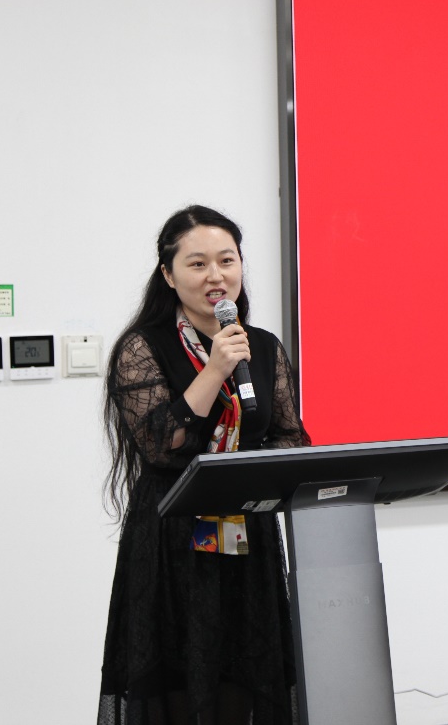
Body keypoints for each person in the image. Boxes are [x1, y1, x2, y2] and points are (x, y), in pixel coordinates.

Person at [98, 205, 309, 725]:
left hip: (246, 534)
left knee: (244, 675)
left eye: (227, 260)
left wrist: (259, 470)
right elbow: (160, 445)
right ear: (168, 275)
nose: (216, 275)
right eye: (197, 264)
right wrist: (215, 368)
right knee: (180, 681)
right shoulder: (142, 348)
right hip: (173, 542)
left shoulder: (262, 347)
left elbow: (290, 436)